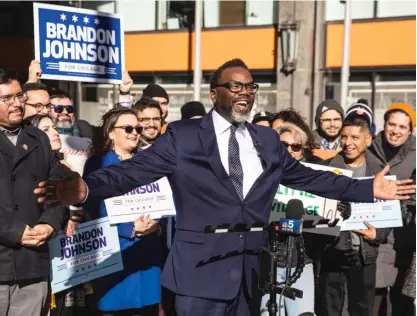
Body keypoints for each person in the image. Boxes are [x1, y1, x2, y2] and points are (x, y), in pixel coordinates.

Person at [36, 59, 415, 316]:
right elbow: (133, 172)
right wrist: (85, 189)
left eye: (250, 86)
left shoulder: (266, 141)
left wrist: (366, 190)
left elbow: (308, 177)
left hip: (250, 271)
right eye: (235, 86)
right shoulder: (183, 137)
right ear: (215, 92)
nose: (245, 93)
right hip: (199, 274)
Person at [0, 68, 67, 316]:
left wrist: (49, 223)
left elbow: (58, 187)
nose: (17, 104)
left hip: (32, 263)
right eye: (7, 98)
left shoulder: (38, 137)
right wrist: (16, 232)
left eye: (19, 96)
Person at [84, 107, 162, 315]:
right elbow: (93, 207)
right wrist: (130, 228)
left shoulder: (150, 162)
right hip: (116, 253)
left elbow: (165, 201)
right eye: (128, 128)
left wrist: (157, 225)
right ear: (111, 133)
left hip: (148, 254)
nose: (135, 132)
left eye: (138, 128)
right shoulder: (97, 164)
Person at [316, 103, 390, 316]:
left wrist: (379, 234)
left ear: (368, 140)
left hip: (365, 254)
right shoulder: (327, 169)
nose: (348, 143)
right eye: (345, 137)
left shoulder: (380, 172)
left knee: (362, 309)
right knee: (329, 310)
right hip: (333, 252)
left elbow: (391, 215)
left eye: (355, 138)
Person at [260, 122, 318, 316]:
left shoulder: (313, 180)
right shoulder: (258, 178)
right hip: (268, 263)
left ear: (302, 152)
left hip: (302, 262)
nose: (289, 151)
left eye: (296, 147)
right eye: (284, 145)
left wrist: (338, 212)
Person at [369, 102, 416, 316]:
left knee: (402, 300)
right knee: (373, 298)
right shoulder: (368, 148)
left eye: (402, 127)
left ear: (410, 130)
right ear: (384, 124)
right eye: (392, 124)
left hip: (404, 238)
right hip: (372, 233)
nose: (395, 131)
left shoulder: (416, 155)